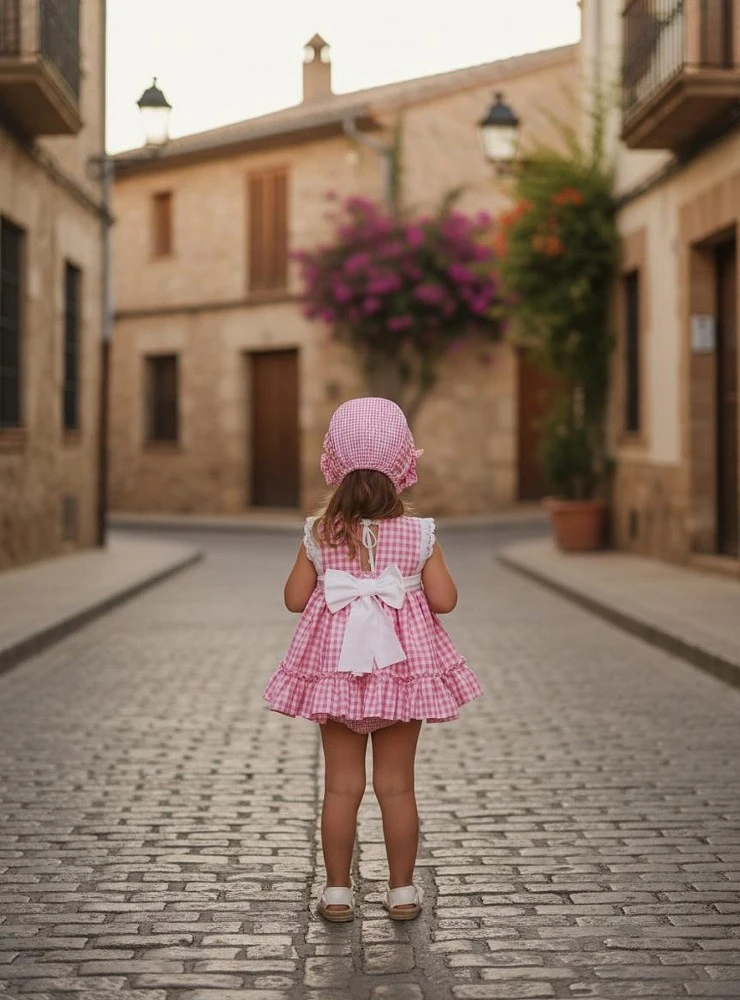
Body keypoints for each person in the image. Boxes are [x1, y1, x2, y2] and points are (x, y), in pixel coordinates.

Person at [263, 397, 483, 922]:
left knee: (341, 785)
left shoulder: (319, 532)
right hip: (402, 676)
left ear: (335, 464)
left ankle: (337, 891)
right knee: (396, 785)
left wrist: (332, 575)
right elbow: (445, 599)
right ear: (403, 463)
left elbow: (295, 599)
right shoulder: (418, 533)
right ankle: (402, 891)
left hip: (336, 677)